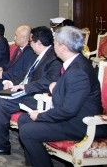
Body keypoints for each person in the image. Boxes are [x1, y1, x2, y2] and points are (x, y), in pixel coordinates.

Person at [18, 26, 107, 167]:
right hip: (73, 115)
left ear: (63, 47)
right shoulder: (76, 62)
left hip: (82, 123)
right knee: (24, 119)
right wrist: (56, 88)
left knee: (28, 131)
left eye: (55, 43)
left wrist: (40, 116)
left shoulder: (78, 71)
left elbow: (68, 110)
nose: (53, 46)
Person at [0, 26, 62, 155]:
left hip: (38, 96)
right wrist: (11, 82)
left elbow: (49, 81)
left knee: (1, 102)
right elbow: (25, 75)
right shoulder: (37, 55)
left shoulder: (54, 58)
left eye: (31, 41)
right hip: (26, 91)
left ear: (39, 43)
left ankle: (1, 146)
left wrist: (24, 87)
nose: (30, 44)